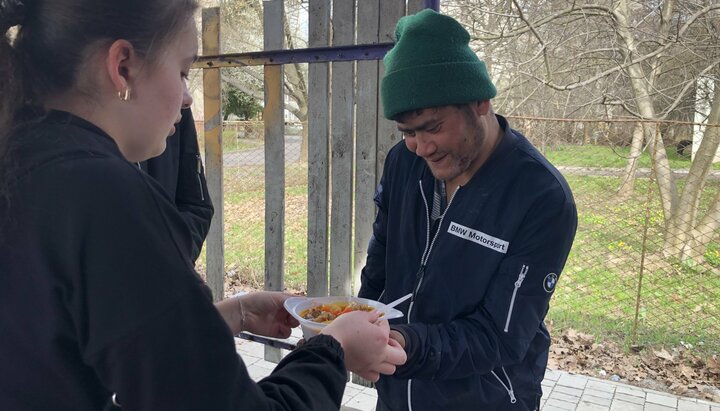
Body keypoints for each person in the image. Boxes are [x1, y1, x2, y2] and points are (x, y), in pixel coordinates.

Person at [0, 1, 405, 410]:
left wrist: (235, 314)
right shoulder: (103, 196)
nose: (188, 98)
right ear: (123, 66)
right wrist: (333, 348)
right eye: (182, 72)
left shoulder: (23, 165)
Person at [358, 9, 578, 411]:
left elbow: (500, 335)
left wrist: (404, 342)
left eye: (433, 127)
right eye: (408, 132)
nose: (422, 148)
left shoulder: (540, 196)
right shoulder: (402, 163)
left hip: (483, 397)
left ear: (480, 101)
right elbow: (381, 260)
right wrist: (360, 320)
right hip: (397, 389)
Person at [139, 107, 213, 263]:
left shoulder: (178, 110)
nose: (188, 99)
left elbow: (197, 207)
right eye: (180, 80)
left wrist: (174, 260)